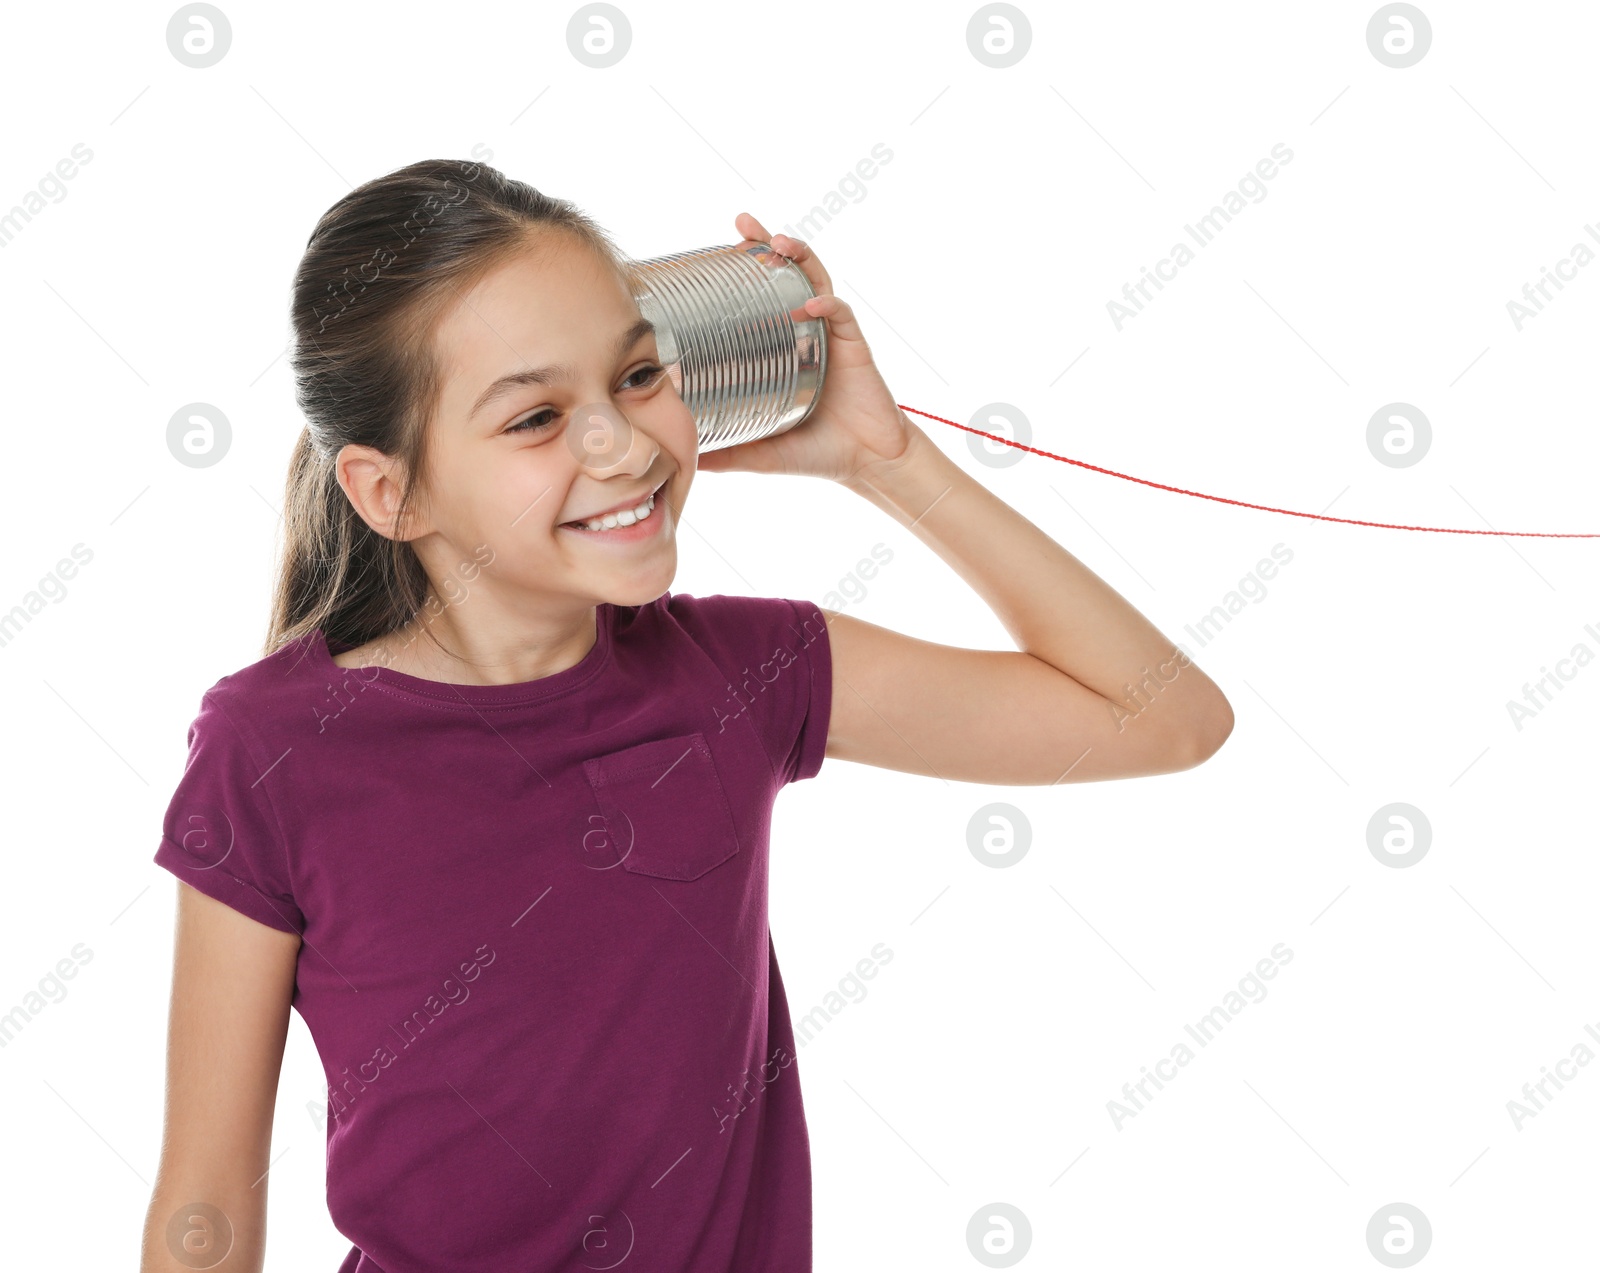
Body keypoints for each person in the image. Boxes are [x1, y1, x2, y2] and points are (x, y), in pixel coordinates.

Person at [140, 158, 1233, 1273]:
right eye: (535, 417)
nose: (621, 444)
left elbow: (1161, 717)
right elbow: (207, 1206)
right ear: (391, 492)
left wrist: (886, 464)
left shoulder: (743, 673)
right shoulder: (269, 750)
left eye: (638, 375)